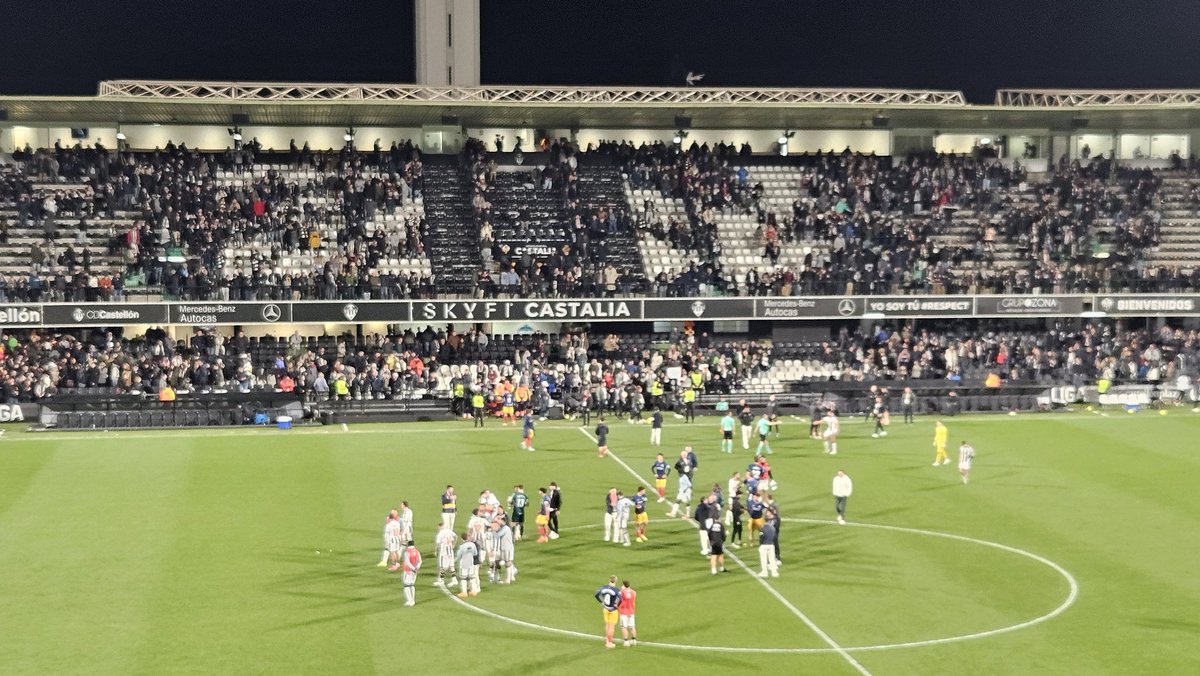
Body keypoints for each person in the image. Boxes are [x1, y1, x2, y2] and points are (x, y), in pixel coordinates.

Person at [595, 576, 621, 649]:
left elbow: (596, 595)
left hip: (605, 608)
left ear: (610, 580)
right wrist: (617, 605)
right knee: (612, 626)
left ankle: (607, 640)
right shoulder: (616, 590)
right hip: (613, 610)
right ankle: (609, 642)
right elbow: (621, 599)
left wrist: (601, 602)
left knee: (607, 624)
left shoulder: (603, 587)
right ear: (615, 581)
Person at [490, 518, 517, 584]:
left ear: (504, 522)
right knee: (508, 562)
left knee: (507, 562)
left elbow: (497, 535)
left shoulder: (505, 528)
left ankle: (508, 579)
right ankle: (511, 576)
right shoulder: (504, 528)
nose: (499, 522)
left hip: (507, 548)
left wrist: (492, 530)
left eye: (500, 521)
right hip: (506, 548)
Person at [455, 533, 480, 598]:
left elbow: (458, 556)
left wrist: (454, 560)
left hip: (463, 564)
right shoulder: (473, 544)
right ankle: (474, 591)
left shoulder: (462, 546)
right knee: (472, 577)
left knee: (463, 578)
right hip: (471, 563)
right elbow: (475, 553)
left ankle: (464, 592)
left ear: (462, 539)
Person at [434, 522, 458, 588]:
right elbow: (456, 536)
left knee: (442, 567)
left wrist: (436, 551)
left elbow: (438, 544)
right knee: (451, 565)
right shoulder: (449, 531)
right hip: (450, 550)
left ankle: (441, 580)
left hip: (444, 552)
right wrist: (453, 545)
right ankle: (454, 579)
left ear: (440, 527)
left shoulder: (440, 533)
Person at [706, 507, 727, 574]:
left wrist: (711, 540)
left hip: (713, 542)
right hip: (719, 542)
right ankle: (721, 567)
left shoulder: (712, 526)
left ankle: (713, 569)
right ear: (719, 519)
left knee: (713, 555)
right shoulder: (721, 525)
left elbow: (709, 534)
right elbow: (723, 534)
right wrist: (723, 540)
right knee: (720, 555)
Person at [401, 540, 422, 606]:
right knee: (412, 585)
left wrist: (413, 569)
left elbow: (407, 562)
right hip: (415, 571)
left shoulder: (407, 552)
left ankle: (410, 601)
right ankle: (412, 600)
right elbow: (420, 561)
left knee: (406, 586)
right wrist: (416, 568)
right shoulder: (416, 551)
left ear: (408, 545)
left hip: (408, 571)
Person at [618, 580, 638, 647]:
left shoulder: (621, 592)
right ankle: (634, 640)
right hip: (631, 612)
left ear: (623, 585)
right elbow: (633, 602)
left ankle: (626, 641)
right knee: (632, 626)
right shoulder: (634, 592)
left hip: (624, 612)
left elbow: (618, 600)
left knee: (624, 627)